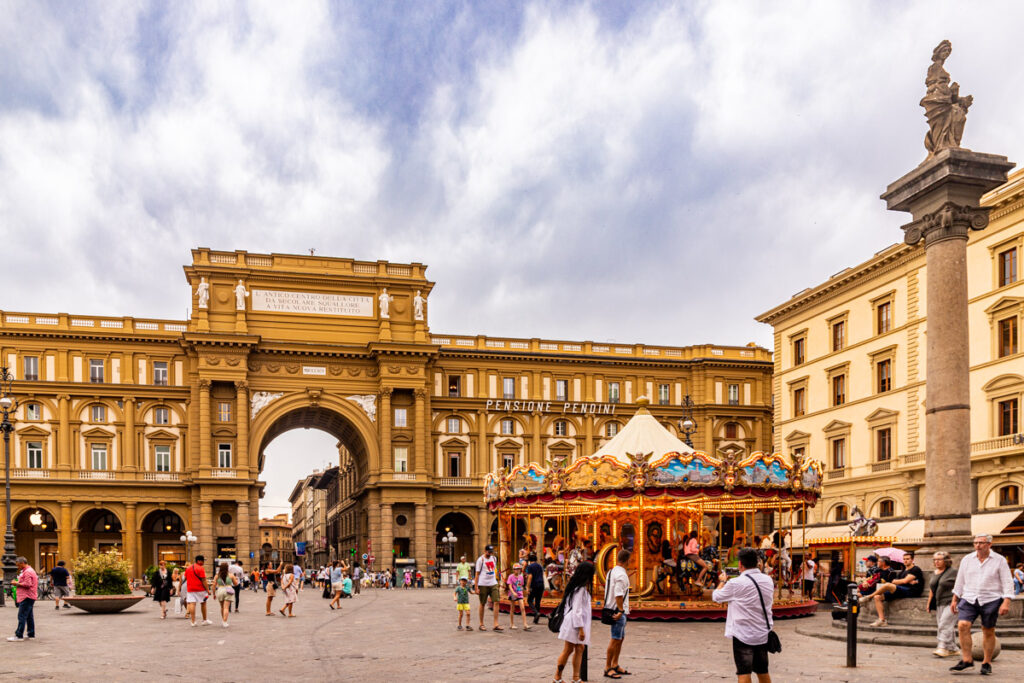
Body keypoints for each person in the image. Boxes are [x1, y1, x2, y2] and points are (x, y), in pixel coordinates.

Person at [949, 534, 1014, 675]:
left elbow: (1007, 581)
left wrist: (1006, 602)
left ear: (989, 544)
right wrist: (955, 598)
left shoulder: (999, 560)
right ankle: (967, 660)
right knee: (962, 625)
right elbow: (960, 580)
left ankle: (986, 662)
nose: (977, 545)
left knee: (988, 630)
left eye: (981, 543)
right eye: (975, 542)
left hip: (991, 598)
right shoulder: (967, 559)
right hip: (969, 597)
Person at [712, 547, 775, 683]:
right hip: (762, 633)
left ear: (740, 564)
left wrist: (723, 581)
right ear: (757, 562)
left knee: (744, 672)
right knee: (762, 670)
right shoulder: (768, 580)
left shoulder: (735, 583)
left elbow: (716, 596)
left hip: (743, 634)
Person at [553, 561, 595, 683]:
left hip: (572, 622)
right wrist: (581, 629)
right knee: (568, 649)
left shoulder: (574, 586)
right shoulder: (580, 589)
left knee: (579, 648)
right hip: (574, 623)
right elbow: (577, 610)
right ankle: (557, 677)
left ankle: (575, 677)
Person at [859, 552, 924, 627]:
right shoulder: (903, 571)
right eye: (904, 559)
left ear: (912, 560)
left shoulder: (915, 569)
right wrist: (905, 581)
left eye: (908, 559)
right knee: (877, 597)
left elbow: (903, 581)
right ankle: (881, 620)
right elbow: (894, 581)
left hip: (912, 591)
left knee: (887, 585)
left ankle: (868, 597)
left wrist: (904, 581)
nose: (905, 561)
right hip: (902, 590)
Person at [604, 548, 632, 679]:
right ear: (627, 561)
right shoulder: (621, 575)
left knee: (620, 638)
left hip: (611, 608)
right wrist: (621, 610)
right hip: (617, 611)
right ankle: (607, 667)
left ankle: (615, 664)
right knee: (615, 639)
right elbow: (618, 594)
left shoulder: (611, 571)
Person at [927, 551, 958, 658]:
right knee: (946, 624)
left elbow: (960, 585)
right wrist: (929, 602)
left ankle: (942, 647)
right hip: (939, 602)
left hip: (952, 601)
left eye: (939, 559)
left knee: (944, 624)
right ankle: (952, 648)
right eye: (935, 559)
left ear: (946, 560)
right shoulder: (935, 572)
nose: (936, 562)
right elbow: (932, 589)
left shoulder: (953, 572)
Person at [7, 556, 38, 642]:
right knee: (29, 616)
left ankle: (19, 635)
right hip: (30, 596)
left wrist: (16, 583)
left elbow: (27, 584)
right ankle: (31, 634)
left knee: (22, 616)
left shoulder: (27, 572)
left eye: (18, 565)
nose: (18, 567)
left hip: (26, 596)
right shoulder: (30, 570)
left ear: (22, 563)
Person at [473, 545, 502, 631]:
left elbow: (495, 570)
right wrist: (476, 587)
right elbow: (477, 574)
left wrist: (498, 580)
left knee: (496, 601)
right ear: (485, 551)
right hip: (483, 584)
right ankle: (481, 624)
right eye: (489, 551)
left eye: (491, 552)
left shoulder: (494, 558)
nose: (490, 553)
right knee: (482, 603)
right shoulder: (480, 560)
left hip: (493, 583)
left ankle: (496, 624)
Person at [184, 555, 212, 626]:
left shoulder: (188, 568)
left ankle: (193, 622)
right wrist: (208, 590)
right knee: (203, 603)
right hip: (200, 589)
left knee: (192, 604)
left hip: (190, 589)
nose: (203, 562)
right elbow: (204, 580)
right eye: (203, 561)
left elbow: (186, 578)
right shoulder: (201, 568)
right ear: (199, 561)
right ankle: (204, 620)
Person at [506, 563, 529, 630]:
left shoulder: (521, 577)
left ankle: (525, 624)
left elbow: (520, 585)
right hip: (512, 593)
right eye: (516, 569)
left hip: (519, 593)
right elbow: (509, 585)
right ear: (514, 570)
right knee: (512, 609)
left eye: (518, 569)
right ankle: (512, 624)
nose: (517, 570)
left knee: (522, 608)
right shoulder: (511, 576)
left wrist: (522, 591)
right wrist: (513, 592)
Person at [214, 561, 238, 628]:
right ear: (227, 568)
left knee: (222, 607)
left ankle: (223, 620)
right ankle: (225, 622)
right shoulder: (231, 575)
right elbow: (236, 584)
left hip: (220, 590)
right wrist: (235, 579)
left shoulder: (217, 575)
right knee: (226, 608)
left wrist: (213, 594)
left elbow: (213, 585)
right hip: (228, 590)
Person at [525, 552, 546, 623]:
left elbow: (530, 577)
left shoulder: (530, 566)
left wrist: (527, 587)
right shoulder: (540, 566)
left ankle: (536, 613)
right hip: (541, 584)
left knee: (529, 600)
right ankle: (536, 619)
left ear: (529, 560)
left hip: (534, 585)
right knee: (538, 601)